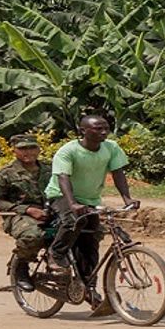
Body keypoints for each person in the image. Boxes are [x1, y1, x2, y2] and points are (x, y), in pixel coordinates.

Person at [45, 112, 137, 301]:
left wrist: (127, 199)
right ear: (83, 131)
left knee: (90, 244)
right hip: (61, 195)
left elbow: (118, 173)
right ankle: (56, 253)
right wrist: (72, 203)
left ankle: (89, 288)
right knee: (74, 219)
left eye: (106, 128)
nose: (104, 132)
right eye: (98, 128)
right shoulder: (68, 151)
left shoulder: (111, 148)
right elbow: (63, 177)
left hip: (90, 199)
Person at [0, 132, 52, 292]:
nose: (28, 152)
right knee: (33, 236)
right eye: (23, 149)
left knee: (84, 231)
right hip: (18, 215)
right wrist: (27, 210)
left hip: (51, 211)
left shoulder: (50, 170)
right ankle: (20, 268)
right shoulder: (6, 174)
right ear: (14, 151)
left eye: (32, 148)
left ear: (38, 149)